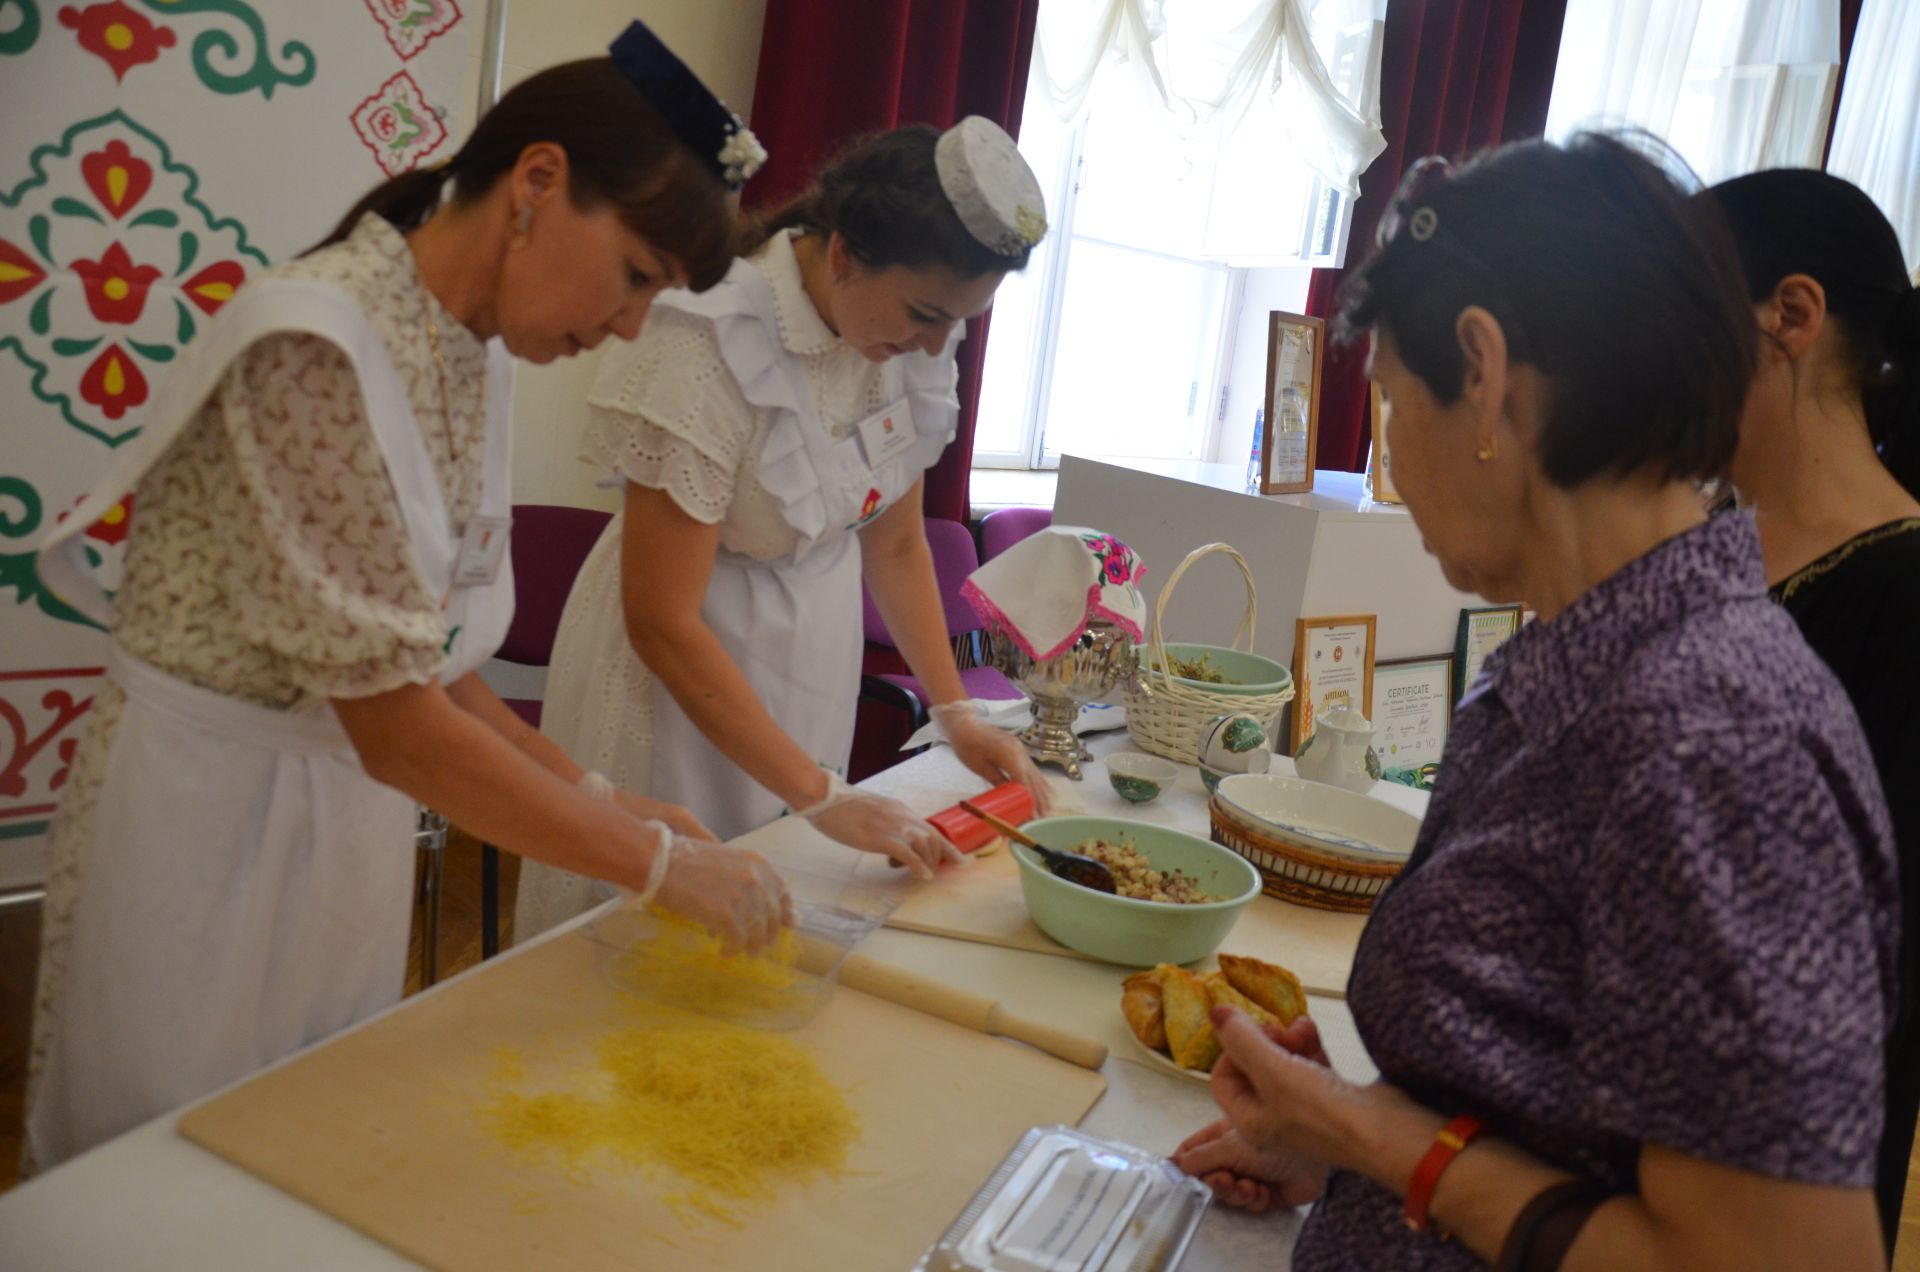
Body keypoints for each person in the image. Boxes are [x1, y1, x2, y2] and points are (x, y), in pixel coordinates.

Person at [24, 22, 791, 1172]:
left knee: (297, 1142)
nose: (629, 327)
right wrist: (656, 867)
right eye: (637, 275)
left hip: (347, 814)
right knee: (158, 1166)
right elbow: (400, 727)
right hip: (211, 816)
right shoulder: (318, 343)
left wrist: (604, 797)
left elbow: (426, 666)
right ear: (539, 181)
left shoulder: (468, 344)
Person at [1172, 135, 1898, 1269]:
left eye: (1395, 408)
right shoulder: (1576, 671)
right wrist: (1347, 1147)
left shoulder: (1712, 741)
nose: (1397, 467)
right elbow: (1563, 1120)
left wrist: (1378, 1134)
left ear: (1485, 369)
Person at [516, 118, 1055, 940]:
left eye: (957, 322)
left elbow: (897, 543)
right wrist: (823, 796)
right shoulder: (706, 335)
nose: (933, 343)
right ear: (842, 254)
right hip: (678, 675)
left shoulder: (906, 337)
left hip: (806, 665)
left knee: (772, 918)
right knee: (650, 930)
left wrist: (956, 712)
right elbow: (662, 618)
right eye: (923, 312)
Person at [1708, 167, 1920, 1255]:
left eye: (1686, 319)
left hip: (1770, 1170)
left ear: (1791, 314)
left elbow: (1862, 958)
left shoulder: (1901, 591)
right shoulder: (1702, 551)